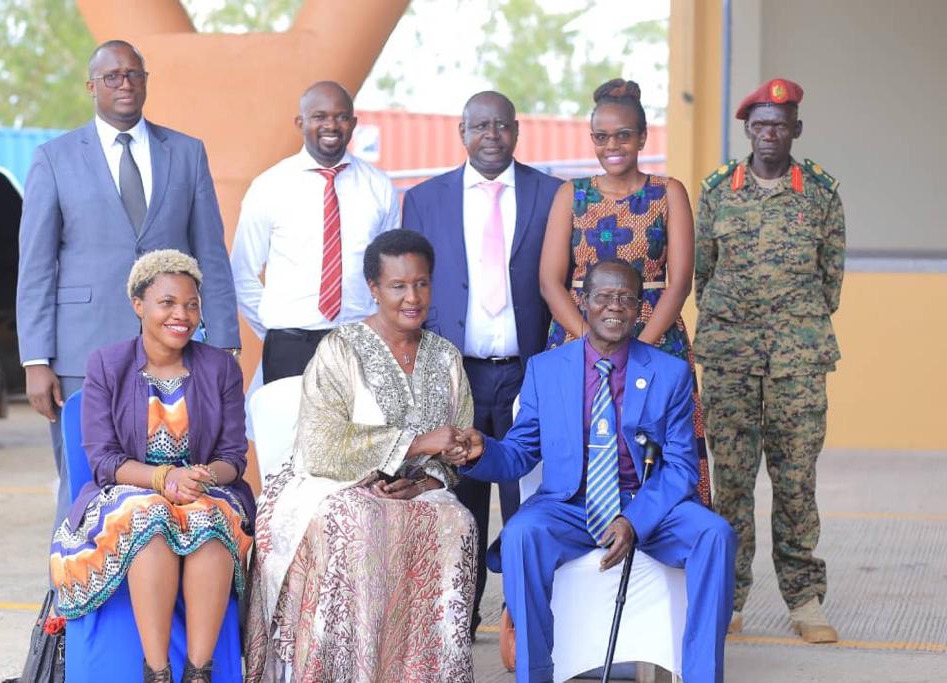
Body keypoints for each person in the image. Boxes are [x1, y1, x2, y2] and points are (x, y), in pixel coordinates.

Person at [451, 259, 735, 683]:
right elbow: (519, 453)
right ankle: (536, 674)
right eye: (603, 296)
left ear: (640, 308)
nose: (613, 307)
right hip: (570, 503)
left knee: (715, 534)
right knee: (522, 534)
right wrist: (479, 453)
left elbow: (679, 469)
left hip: (647, 504)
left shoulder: (669, 373)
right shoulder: (546, 370)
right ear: (584, 303)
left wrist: (634, 521)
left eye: (625, 298)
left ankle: (700, 675)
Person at [17, 39, 240, 535]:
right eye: (112, 76)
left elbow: (211, 254)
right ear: (91, 86)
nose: (124, 84)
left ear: (145, 81)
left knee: (171, 483)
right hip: (81, 350)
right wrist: (36, 359)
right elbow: (36, 265)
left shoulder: (185, 152)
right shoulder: (53, 158)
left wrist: (223, 339)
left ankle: (156, 607)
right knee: (82, 483)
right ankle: (65, 608)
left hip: (174, 355)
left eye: (134, 74)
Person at [244, 230, 477, 683]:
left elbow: (454, 450)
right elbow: (319, 444)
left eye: (422, 283)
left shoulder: (446, 358)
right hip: (326, 484)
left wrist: (426, 479)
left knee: (459, 522)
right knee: (360, 523)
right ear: (373, 288)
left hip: (413, 490)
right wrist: (412, 444)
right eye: (398, 286)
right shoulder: (340, 349)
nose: (413, 297)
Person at [49, 250, 255, 683]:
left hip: (203, 488)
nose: (182, 314)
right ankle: (157, 671)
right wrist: (164, 478)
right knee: (152, 517)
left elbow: (234, 458)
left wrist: (200, 478)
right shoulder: (106, 365)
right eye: (167, 303)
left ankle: (199, 672)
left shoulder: (220, 368)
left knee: (210, 521)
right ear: (139, 305)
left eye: (191, 304)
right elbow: (104, 460)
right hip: (130, 488)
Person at [401, 90, 563, 637]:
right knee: (458, 500)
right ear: (461, 131)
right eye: (479, 126)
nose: (490, 135)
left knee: (528, 503)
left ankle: (522, 619)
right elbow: (415, 286)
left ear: (517, 131)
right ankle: (457, 624)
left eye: (501, 125)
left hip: (530, 369)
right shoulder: (424, 198)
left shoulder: (552, 194)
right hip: (457, 372)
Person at [695, 78, 845, 643]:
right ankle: (728, 601)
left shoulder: (821, 192)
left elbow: (831, 278)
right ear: (747, 130)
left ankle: (805, 600)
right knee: (730, 483)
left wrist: (790, 328)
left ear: (796, 131)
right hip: (731, 359)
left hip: (798, 361)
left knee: (795, 481)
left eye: (779, 125)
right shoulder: (718, 190)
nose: (768, 136)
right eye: (759, 126)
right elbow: (703, 273)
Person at [538, 79, 711, 506]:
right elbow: (549, 281)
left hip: (656, 332)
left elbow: (681, 281)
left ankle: (671, 546)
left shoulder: (668, 192)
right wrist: (590, 344)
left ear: (642, 137)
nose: (611, 145)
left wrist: (639, 350)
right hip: (579, 337)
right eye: (601, 137)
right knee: (583, 441)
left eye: (623, 135)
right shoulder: (571, 195)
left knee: (662, 444)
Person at [230, 81, 400, 385]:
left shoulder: (379, 187)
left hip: (359, 343)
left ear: (353, 123)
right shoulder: (269, 187)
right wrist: (276, 330)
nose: (331, 125)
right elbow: (241, 272)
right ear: (301, 123)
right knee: (290, 432)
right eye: (319, 116)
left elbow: (390, 275)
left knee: (362, 432)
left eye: (341, 116)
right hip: (290, 347)